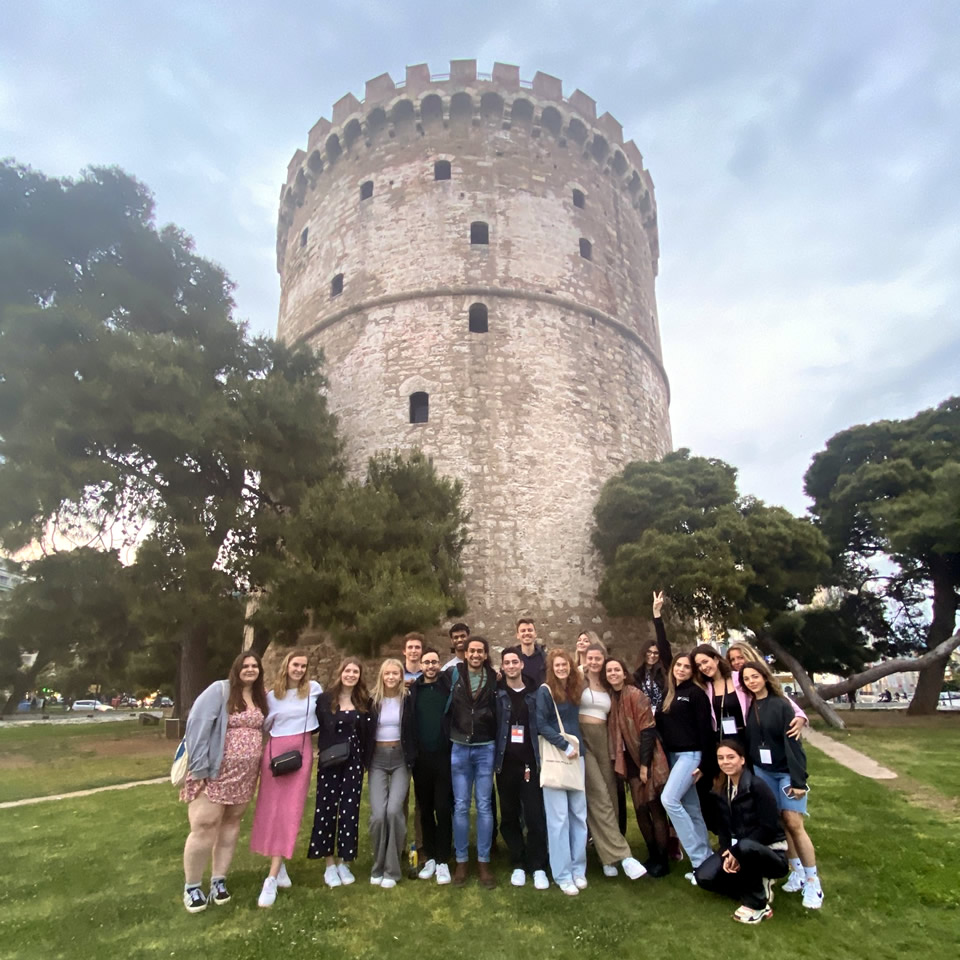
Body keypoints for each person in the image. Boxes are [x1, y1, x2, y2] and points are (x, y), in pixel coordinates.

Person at [180, 652, 268, 913]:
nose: (250, 669)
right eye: (245, 665)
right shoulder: (220, 691)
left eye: (255, 666)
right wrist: (199, 769)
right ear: (236, 668)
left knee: (230, 825)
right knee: (204, 825)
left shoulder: (260, 696)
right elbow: (197, 726)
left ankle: (219, 879)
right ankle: (192, 886)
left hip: (245, 776)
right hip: (214, 771)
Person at [740, 660, 824, 909]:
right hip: (763, 771)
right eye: (747, 678)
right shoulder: (752, 706)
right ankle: (796, 871)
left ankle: (813, 881)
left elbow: (794, 745)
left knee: (795, 823)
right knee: (780, 823)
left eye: (755, 676)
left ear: (765, 677)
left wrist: (798, 780)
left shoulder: (782, 705)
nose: (751, 681)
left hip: (785, 772)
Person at [251, 649, 322, 908]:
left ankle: (271, 876)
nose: (299, 670)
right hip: (275, 751)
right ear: (286, 666)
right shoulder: (272, 696)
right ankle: (277, 866)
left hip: (301, 753)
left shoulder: (313, 690)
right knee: (270, 810)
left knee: (290, 811)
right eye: (295, 665)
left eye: (303, 666)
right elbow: (264, 726)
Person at [694, 740, 789, 923]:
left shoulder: (757, 786)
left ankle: (758, 905)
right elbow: (724, 829)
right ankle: (753, 885)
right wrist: (727, 852)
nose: (725, 762)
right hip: (740, 849)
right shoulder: (721, 788)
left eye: (731, 757)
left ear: (742, 760)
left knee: (745, 846)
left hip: (770, 852)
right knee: (704, 877)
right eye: (720, 758)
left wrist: (737, 852)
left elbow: (768, 829)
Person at [579, 642, 647, 880]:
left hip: (605, 742)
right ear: (585, 659)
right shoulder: (578, 679)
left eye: (599, 658)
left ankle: (605, 855)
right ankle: (623, 855)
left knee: (611, 796)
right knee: (599, 798)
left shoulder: (608, 686)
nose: (594, 662)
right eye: (591, 658)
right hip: (583, 741)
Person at [308, 657, 374, 888]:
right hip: (330, 761)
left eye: (355, 672)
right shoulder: (325, 700)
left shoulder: (364, 701)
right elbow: (317, 726)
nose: (351, 675)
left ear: (359, 676)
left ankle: (346, 861)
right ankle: (329, 863)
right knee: (326, 809)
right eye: (348, 671)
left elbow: (368, 733)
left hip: (354, 762)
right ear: (341, 673)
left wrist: (365, 761)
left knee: (349, 809)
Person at [603, 657, 670, 877]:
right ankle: (651, 855)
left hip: (644, 756)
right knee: (640, 809)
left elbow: (647, 729)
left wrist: (644, 765)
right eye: (609, 670)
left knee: (654, 807)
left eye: (617, 669)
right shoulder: (612, 698)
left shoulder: (635, 694)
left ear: (624, 673)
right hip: (627, 759)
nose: (613, 673)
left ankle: (662, 859)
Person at [494, 646, 549, 889]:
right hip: (505, 763)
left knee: (535, 816)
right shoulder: (497, 694)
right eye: (507, 662)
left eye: (515, 661)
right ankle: (518, 861)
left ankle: (537, 865)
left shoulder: (536, 694)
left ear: (521, 664)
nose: (512, 666)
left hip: (530, 763)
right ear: (502, 667)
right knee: (508, 815)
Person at [656, 653, 714, 877]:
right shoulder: (668, 693)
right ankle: (707, 857)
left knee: (669, 800)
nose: (681, 669)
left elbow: (705, 730)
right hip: (673, 756)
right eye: (678, 665)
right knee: (691, 809)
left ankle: (699, 859)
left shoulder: (696, 694)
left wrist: (706, 763)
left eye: (686, 667)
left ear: (692, 671)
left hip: (691, 755)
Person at [448, 636, 499, 888]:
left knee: (484, 806)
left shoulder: (494, 678)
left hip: (485, 747)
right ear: (465, 654)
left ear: (486, 654)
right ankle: (461, 861)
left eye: (481, 651)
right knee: (460, 806)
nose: (476, 654)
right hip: (459, 747)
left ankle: (483, 861)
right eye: (472, 651)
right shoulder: (454, 675)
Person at [536, 648, 588, 896]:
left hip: (578, 757)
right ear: (551, 668)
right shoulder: (545, 691)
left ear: (570, 666)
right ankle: (562, 873)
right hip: (558, 757)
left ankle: (579, 869)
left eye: (564, 665)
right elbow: (541, 723)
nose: (561, 668)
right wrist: (564, 744)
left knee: (579, 815)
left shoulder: (576, 689)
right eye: (556, 665)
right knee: (558, 820)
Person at [695, 644, 807, 743]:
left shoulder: (738, 678)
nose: (703, 667)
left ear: (716, 659)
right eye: (699, 665)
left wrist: (799, 714)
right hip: (722, 742)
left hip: (748, 737)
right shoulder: (704, 687)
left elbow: (773, 693)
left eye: (705, 662)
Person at [368, 658, 414, 889]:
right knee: (378, 815)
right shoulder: (372, 700)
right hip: (377, 758)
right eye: (387, 673)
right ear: (382, 675)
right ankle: (377, 866)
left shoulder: (408, 700)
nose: (391, 677)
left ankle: (392, 870)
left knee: (394, 811)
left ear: (401, 676)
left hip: (400, 759)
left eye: (396, 673)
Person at [409, 647, 453, 885]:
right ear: (421, 665)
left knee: (443, 808)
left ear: (439, 664)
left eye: (435, 662)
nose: (431, 666)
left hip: (444, 756)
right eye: (426, 662)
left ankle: (445, 858)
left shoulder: (448, 686)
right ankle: (431, 857)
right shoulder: (414, 690)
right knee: (425, 809)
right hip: (421, 758)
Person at [633, 591, 671, 714]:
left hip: (663, 717)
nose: (652, 655)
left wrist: (657, 614)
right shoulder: (637, 675)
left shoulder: (663, 670)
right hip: (644, 718)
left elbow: (663, 641)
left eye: (655, 653)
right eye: (649, 652)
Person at [516, 618, 547, 687]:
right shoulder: (512, 658)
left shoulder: (545, 658)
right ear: (518, 635)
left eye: (530, 630)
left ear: (535, 634)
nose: (526, 633)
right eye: (523, 631)